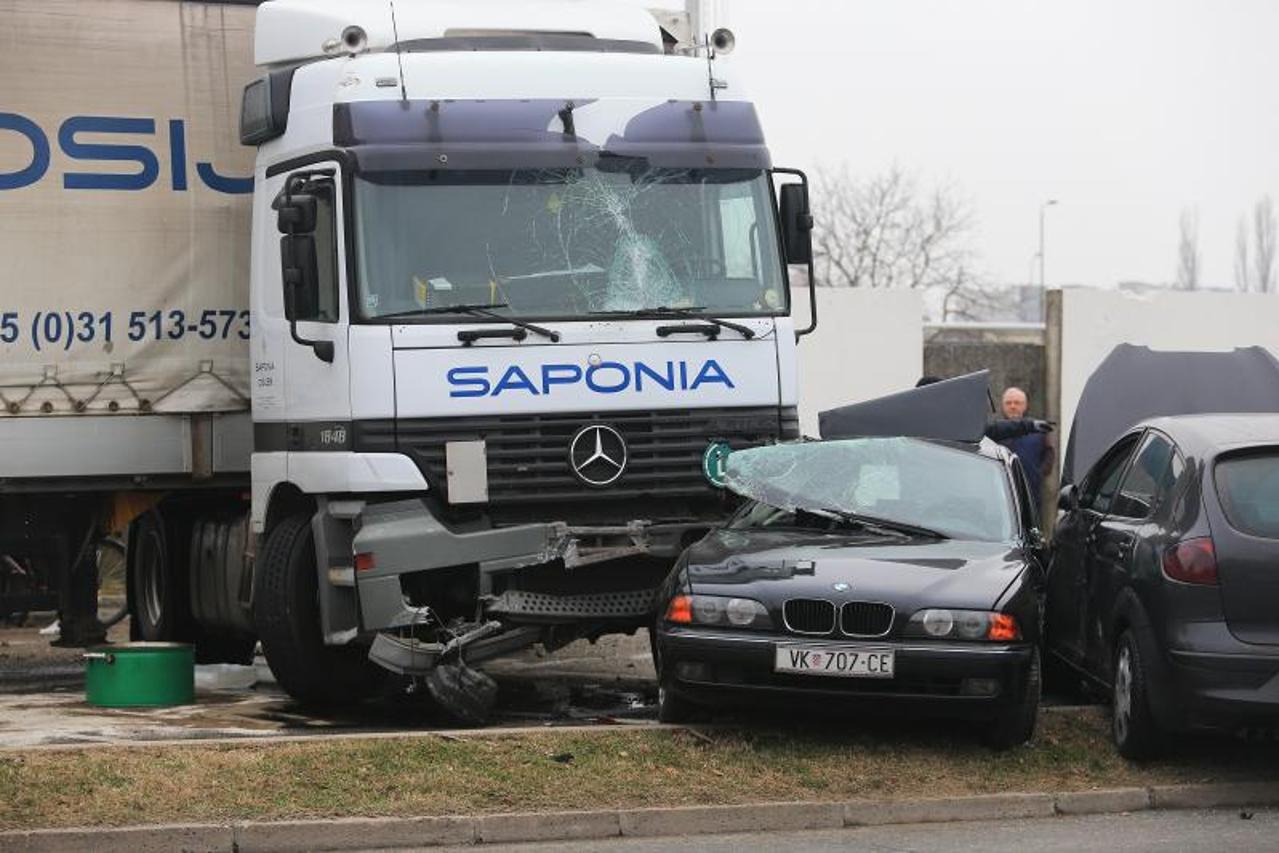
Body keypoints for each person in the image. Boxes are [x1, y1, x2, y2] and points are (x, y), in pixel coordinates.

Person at [996, 386, 1054, 509]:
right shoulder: (995, 431)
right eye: (1008, 403)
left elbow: (1049, 453)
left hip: (1031, 495)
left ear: (1025, 405)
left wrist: (1039, 473)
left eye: (1017, 403)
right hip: (1000, 495)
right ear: (1002, 406)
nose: (1012, 406)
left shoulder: (1038, 430)